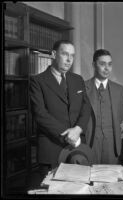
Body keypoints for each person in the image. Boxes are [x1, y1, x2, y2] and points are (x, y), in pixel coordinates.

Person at [29, 40, 91, 179]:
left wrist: (78, 129)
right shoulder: (37, 81)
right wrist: (68, 135)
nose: (69, 60)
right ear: (53, 54)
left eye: (72, 56)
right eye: (65, 54)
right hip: (51, 149)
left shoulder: (77, 79)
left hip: (77, 148)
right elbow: (40, 114)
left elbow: (86, 108)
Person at [85, 49, 123, 164]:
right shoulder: (83, 87)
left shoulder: (119, 90)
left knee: (111, 178)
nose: (107, 68)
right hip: (90, 142)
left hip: (111, 143)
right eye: (102, 64)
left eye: (109, 64)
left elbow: (120, 116)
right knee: (90, 177)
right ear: (94, 65)